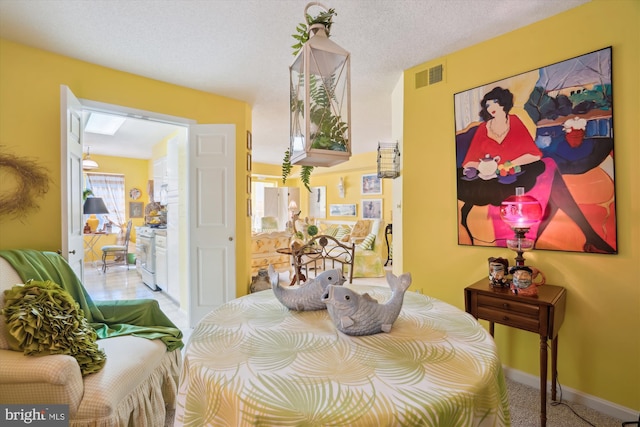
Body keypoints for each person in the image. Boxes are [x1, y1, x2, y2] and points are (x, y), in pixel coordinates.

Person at [457, 86, 614, 254]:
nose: (491, 108)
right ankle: (590, 237)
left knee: (549, 165)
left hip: (514, 175)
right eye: (488, 105)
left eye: (494, 103)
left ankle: (586, 238)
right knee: (552, 177)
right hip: (489, 180)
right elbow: (469, 162)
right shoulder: (483, 129)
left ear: (503, 104)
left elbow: (533, 154)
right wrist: (486, 167)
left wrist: (508, 164)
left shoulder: (515, 121)